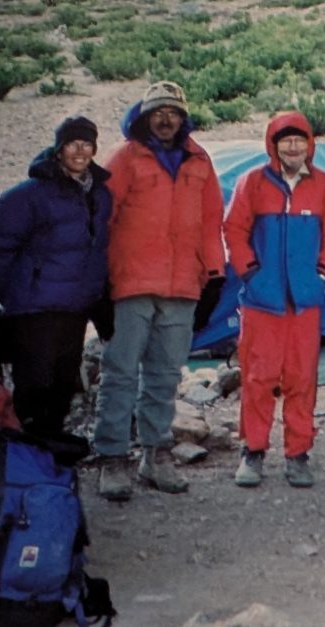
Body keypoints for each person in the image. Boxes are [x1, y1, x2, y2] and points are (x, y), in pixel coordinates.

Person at [93, 81, 225, 500]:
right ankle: (112, 458)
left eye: (173, 112)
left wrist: (215, 276)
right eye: (158, 113)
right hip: (131, 283)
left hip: (182, 284)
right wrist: (100, 281)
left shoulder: (199, 160)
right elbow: (101, 220)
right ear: (144, 116)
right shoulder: (124, 157)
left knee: (165, 375)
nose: (166, 120)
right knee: (120, 373)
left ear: (183, 118)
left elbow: (211, 222)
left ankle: (156, 455)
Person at [223, 112, 325, 488]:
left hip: (305, 302)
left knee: (302, 378)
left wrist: (322, 275)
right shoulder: (252, 182)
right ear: (273, 145)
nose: (293, 147)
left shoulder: (324, 185)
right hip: (262, 301)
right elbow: (233, 230)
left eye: (299, 140)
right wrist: (251, 274)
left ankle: (298, 454)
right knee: (258, 378)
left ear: (310, 144)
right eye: (285, 140)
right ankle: (253, 451)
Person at [0, 115, 113, 435]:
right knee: (34, 386)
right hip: (35, 311)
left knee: (63, 386)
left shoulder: (100, 195)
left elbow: (98, 251)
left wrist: (97, 296)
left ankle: (51, 455)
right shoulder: (28, 195)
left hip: (76, 309)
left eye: (86, 144)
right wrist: (16, 294)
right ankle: (27, 454)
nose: (79, 151)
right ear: (58, 149)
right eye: (72, 144)